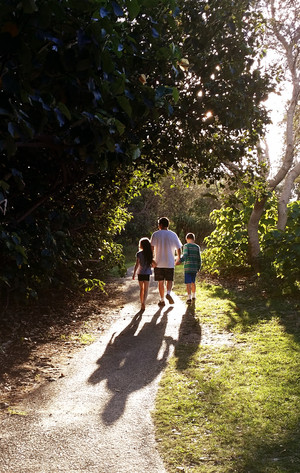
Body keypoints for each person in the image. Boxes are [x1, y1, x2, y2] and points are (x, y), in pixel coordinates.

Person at [150, 217, 182, 307]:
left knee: (160, 282)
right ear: (167, 225)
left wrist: (152, 260)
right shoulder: (173, 234)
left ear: (160, 225)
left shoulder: (155, 234)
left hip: (158, 263)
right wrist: (178, 258)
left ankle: (162, 300)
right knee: (169, 280)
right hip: (169, 262)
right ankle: (168, 293)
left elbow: (151, 248)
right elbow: (179, 248)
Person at [176, 232, 201, 304]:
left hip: (188, 267)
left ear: (187, 239)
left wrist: (180, 261)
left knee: (188, 283)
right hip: (194, 268)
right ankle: (194, 296)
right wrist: (198, 267)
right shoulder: (197, 247)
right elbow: (199, 258)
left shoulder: (186, 246)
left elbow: (185, 255)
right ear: (194, 239)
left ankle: (189, 298)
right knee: (193, 282)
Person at [132, 237, 156, 311]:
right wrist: (153, 265)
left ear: (141, 245)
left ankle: (141, 302)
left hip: (140, 273)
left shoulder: (139, 254)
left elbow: (137, 264)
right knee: (146, 290)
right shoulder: (150, 253)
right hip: (147, 273)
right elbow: (154, 264)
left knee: (141, 289)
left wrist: (134, 273)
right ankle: (144, 303)